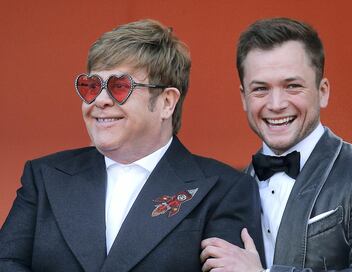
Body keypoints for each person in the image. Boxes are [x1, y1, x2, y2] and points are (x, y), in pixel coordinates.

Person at [0, 19, 264, 271]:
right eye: (91, 86)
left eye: (119, 86)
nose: (100, 100)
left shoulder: (224, 189)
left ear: (166, 102)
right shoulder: (45, 176)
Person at [201, 17, 352, 272]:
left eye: (292, 86)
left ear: (323, 91)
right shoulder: (231, 189)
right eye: (260, 89)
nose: (276, 104)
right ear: (244, 97)